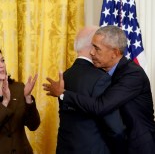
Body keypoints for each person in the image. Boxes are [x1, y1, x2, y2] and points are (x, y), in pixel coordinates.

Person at [43, 25, 155, 154]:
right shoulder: (101, 73)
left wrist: (63, 94)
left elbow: (100, 106)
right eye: (92, 46)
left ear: (115, 52)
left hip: (139, 147)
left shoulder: (132, 74)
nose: (91, 52)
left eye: (97, 48)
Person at [0, 50, 40, 154]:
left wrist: (27, 97)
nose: (1, 66)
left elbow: (33, 125)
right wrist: (5, 102)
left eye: (2, 60)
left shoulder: (18, 88)